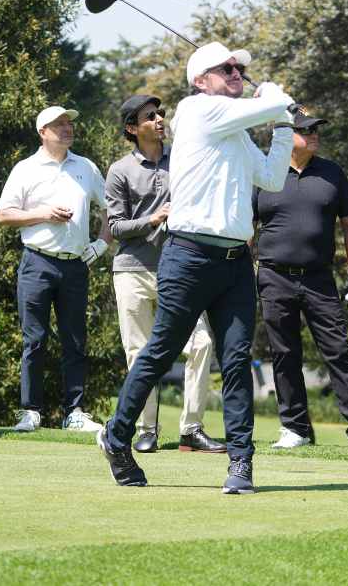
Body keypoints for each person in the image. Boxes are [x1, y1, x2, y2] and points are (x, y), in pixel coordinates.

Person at [97, 41, 295, 494]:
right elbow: (264, 106)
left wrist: (284, 125)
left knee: (237, 360)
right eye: (225, 68)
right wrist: (277, 99)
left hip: (233, 264)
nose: (235, 72)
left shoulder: (239, 133)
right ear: (201, 80)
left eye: (238, 69)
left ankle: (241, 464)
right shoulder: (194, 111)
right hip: (188, 256)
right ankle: (117, 435)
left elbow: (272, 177)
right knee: (161, 350)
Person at [252, 111, 348, 451]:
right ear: (285, 135)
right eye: (305, 130)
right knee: (284, 353)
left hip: (319, 278)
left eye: (316, 130)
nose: (313, 135)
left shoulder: (332, 172)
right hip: (273, 276)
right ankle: (294, 428)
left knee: (338, 349)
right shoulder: (264, 173)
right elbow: (246, 227)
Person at [104, 94, 225, 454]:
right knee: (139, 352)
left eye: (161, 114)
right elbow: (116, 227)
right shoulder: (119, 170)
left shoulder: (185, 161)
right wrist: (153, 219)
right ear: (132, 128)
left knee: (201, 343)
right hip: (133, 270)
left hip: (180, 268)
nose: (159, 120)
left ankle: (191, 429)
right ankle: (146, 430)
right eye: (149, 116)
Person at [0, 105, 112, 434]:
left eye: (69, 123)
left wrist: (101, 244)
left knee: (75, 340)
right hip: (37, 261)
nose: (67, 128)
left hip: (75, 264)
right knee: (34, 339)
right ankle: (31, 411)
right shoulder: (26, 168)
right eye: (58, 124)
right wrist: (44, 214)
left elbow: (110, 210)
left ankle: (74, 411)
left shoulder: (86, 167)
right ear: (42, 132)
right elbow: (4, 215)